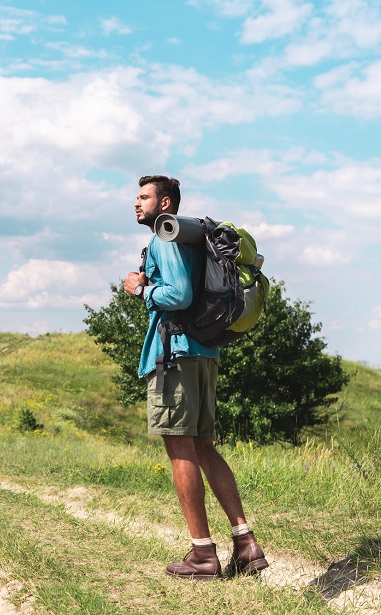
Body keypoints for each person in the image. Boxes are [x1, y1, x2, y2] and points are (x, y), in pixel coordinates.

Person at [123, 175, 269, 580]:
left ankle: (202, 554)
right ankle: (246, 543)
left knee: (181, 449)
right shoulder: (191, 238)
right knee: (204, 448)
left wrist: (140, 290)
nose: (136, 204)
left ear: (164, 203)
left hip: (175, 356)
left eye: (144, 197)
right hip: (205, 353)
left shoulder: (164, 238)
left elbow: (180, 294)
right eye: (136, 197)